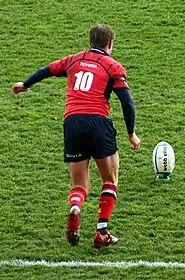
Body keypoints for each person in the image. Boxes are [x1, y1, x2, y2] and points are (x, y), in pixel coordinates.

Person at [12, 24, 141, 248]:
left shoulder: (73, 60)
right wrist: (131, 134)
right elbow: (127, 103)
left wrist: (25, 84)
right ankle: (101, 232)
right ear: (109, 44)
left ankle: (75, 208)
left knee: (79, 185)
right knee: (110, 180)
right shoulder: (113, 66)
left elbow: (47, 70)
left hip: (72, 123)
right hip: (98, 123)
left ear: (90, 42)